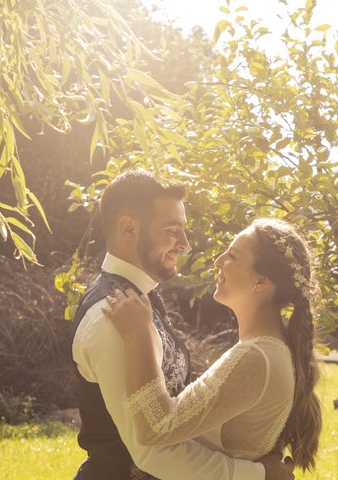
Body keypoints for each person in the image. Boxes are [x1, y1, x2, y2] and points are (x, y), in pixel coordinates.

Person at [71, 170, 295, 480]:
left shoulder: (138, 304)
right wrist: (256, 474)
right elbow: (151, 451)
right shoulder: (112, 318)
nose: (185, 244)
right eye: (172, 230)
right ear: (129, 228)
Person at [104, 218, 322, 474]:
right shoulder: (267, 350)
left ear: (261, 282)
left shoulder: (258, 357)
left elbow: (158, 426)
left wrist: (138, 334)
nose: (218, 261)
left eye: (232, 256)